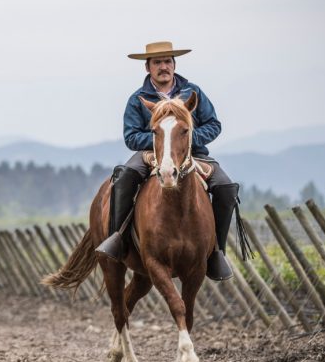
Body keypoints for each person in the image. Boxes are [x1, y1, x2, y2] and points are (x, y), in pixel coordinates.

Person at [95, 41, 239, 281]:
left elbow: (214, 124)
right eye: (157, 62)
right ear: (148, 68)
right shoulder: (138, 99)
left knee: (226, 187)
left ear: (174, 65)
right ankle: (117, 239)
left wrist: (186, 139)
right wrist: (161, 140)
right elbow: (131, 136)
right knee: (125, 178)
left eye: (167, 61)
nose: (163, 66)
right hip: (151, 152)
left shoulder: (193, 92)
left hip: (192, 152)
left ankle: (216, 252)